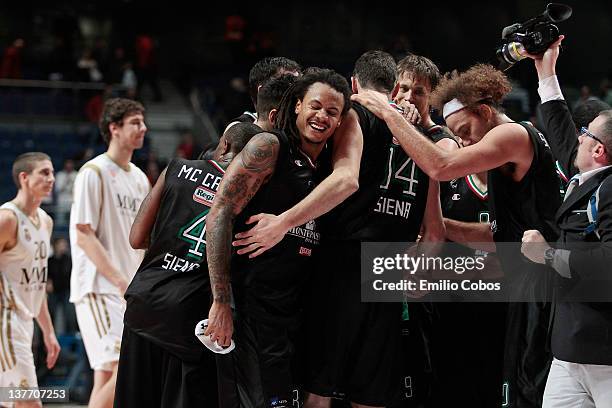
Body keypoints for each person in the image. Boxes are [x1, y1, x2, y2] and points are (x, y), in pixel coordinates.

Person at [352, 63, 562, 408]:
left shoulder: (511, 135)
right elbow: (496, 236)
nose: (463, 141)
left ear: (484, 111)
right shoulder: (501, 156)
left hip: (543, 285)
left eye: (464, 130)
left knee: (527, 392)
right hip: (523, 281)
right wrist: (438, 227)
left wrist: (392, 117)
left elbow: (441, 166)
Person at [205, 68, 352, 408]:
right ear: (298, 106)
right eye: (315, 106)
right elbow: (219, 214)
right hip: (255, 310)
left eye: (332, 112)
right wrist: (221, 301)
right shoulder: (270, 146)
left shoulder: (331, 167)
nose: (322, 116)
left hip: (299, 312)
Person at [114, 123, 263, 408]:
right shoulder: (246, 196)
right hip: (189, 313)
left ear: (224, 145)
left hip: (145, 300)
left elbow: (136, 238)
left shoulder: (176, 167)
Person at [521, 35, 612, 408]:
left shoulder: (609, 189)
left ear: (598, 150)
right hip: (570, 348)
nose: (576, 139)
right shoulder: (585, 180)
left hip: (605, 352)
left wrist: (547, 256)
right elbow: (560, 132)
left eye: (584, 134)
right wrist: (547, 69)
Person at [69, 98, 150, 408]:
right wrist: (119, 280)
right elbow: (83, 233)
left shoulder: (140, 178)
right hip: (101, 287)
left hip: (126, 287)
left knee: (105, 376)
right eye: (135, 122)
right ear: (114, 128)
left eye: (143, 122)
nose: (143, 128)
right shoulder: (95, 171)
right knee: (124, 368)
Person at [0, 152, 60, 408]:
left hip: (26, 322)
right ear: (24, 177)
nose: (52, 179)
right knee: (29, 402)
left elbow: (37, 285)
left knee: (10, 400)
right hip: (5, 320)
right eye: (44, 172)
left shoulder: (45, 222)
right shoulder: (7, 219)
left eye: (53, 173)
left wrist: (48, 331)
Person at [224, 56, 301, 131]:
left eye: (298, 83)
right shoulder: (238, 131)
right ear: (262, 91)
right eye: (287, 82)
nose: (297, 92)